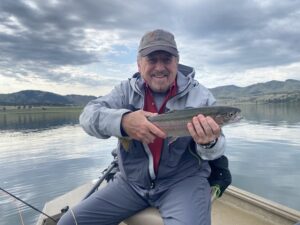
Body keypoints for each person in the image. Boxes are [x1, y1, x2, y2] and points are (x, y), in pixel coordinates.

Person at [58, 29, 227, 225]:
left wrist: (209, 143)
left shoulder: (201, 96)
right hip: (131, 184)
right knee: (68, 223)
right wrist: (123, 121)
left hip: (183, 182)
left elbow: (217, 150)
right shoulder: (124, 91)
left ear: (177, 62)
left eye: (167, 59)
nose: (160, 67)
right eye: (152, 60)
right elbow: (87, 116)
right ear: (139, 64)